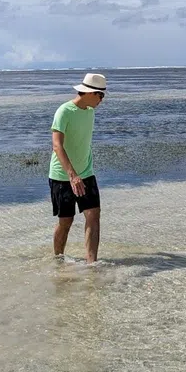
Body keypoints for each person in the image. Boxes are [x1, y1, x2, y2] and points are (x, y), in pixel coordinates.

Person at [49, 72, 107, 264]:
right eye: (101, 95)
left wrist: (81, 173)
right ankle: (58, 260)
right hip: (62, 176)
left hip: (86, 173)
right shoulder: (64, 111)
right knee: (66, 221)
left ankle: (92, 264)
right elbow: (57, 146)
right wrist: (72, 175)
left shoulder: (90, 112)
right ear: (90, 93)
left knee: (93, 215)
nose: (102, 100)